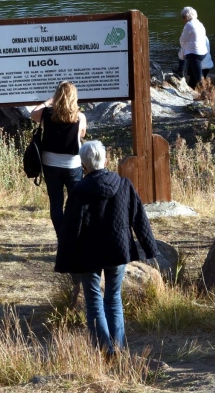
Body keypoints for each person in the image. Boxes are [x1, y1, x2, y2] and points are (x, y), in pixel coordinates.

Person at [55, 141, 158, 354]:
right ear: (106, 160)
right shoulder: (124, 185)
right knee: (114, 298)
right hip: (118, 250)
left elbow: (70, 228)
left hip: (88, 254)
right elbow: (140, 218)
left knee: (93, 301)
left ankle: (105, 351)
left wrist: (65, 260)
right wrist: (150, 250)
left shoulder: (79, 191)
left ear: (83, 166)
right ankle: (118, 348)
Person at [29, 81, 87, 235]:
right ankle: (73, 236)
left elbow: (33, 113)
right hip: (73, 165)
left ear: (57, 96)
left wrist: (48, 102)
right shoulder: (80, 117)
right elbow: (82, 135)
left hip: (50, 164)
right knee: (75, 203)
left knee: (56, 203)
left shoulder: (47, 114)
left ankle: (62, 237)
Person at [176, 7, 209, 88]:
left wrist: (183, 45)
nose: (183, 19)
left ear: (186, 17)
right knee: (192, 74)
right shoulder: (200, 23)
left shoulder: (189, 25)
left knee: (199, 78)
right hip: (203, 52)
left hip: (195, 54)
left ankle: (205, 96)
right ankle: (191, 87)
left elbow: (182, 39)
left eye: (183, 17)